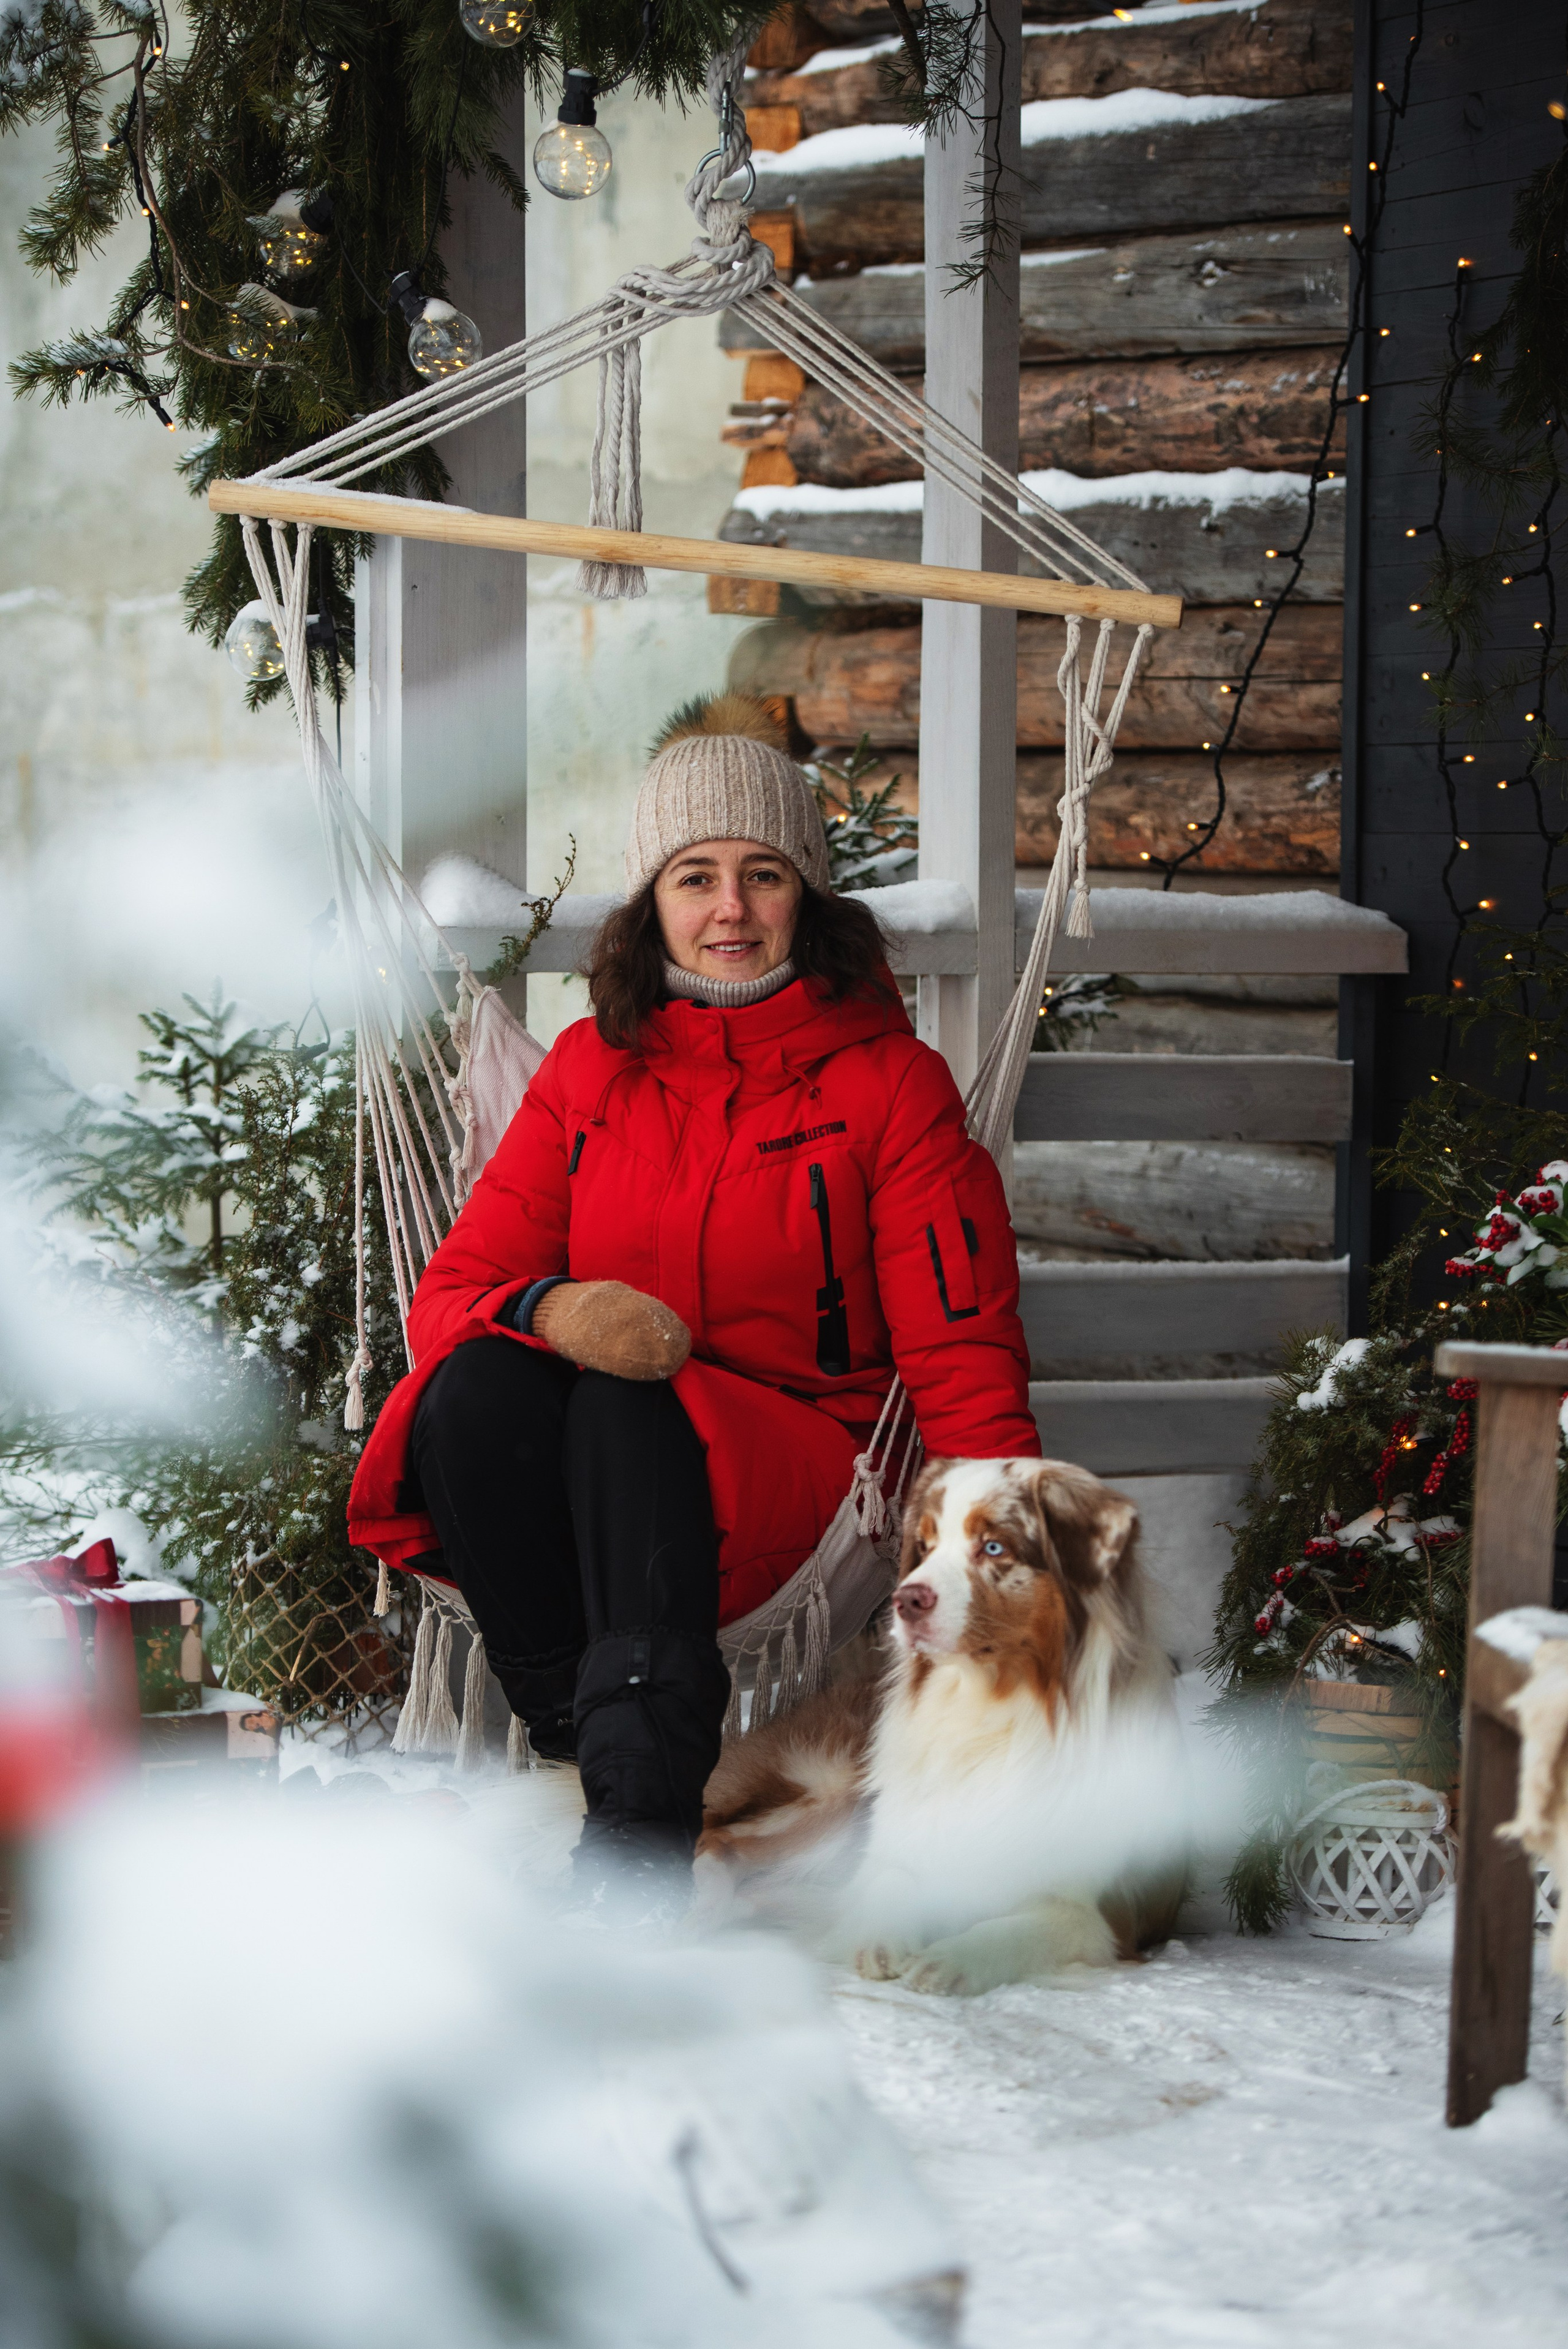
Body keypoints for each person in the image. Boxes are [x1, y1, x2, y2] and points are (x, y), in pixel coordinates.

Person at [348, 692, 1041, 1901]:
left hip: (803, 1466)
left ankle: (632, 1846)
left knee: (628, 1406)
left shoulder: (888, 1086)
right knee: (468, 1389)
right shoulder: (589, 1072)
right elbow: (456, 1289)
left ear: (804, 898)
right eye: (695, 875)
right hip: (608, 1492)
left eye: (762, 874)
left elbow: (957, 1330)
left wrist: (1005, 1548)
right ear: (652, 902)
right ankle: (607, 1749)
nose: (729, 908)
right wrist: (555, 1311)